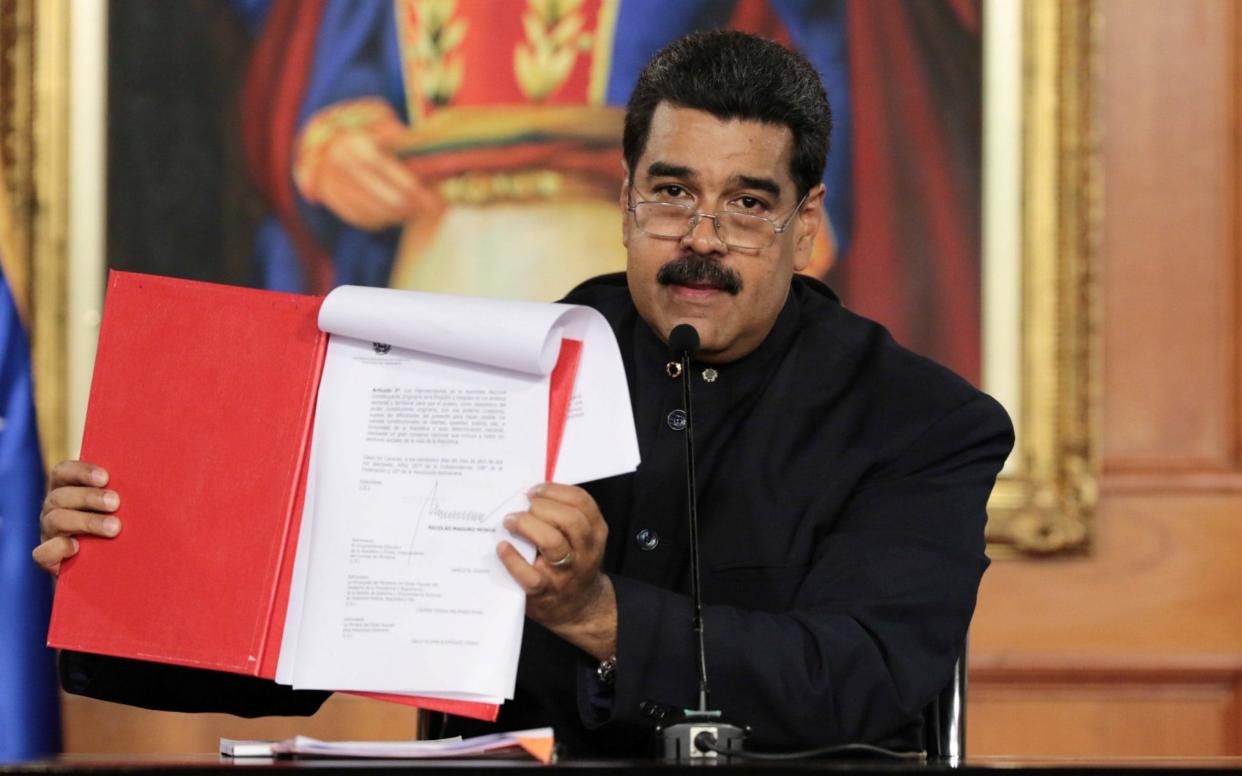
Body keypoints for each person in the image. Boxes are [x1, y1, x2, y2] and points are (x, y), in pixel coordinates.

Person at [35, 31, 1012, 757]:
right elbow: (323, 619)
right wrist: (118, 564)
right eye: (671, 192)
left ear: (804, 227)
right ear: (625, 202)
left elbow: (862, 674)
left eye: (748, 204)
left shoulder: (923, 425)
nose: (702, 237)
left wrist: (596, 612)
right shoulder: (495, 377)